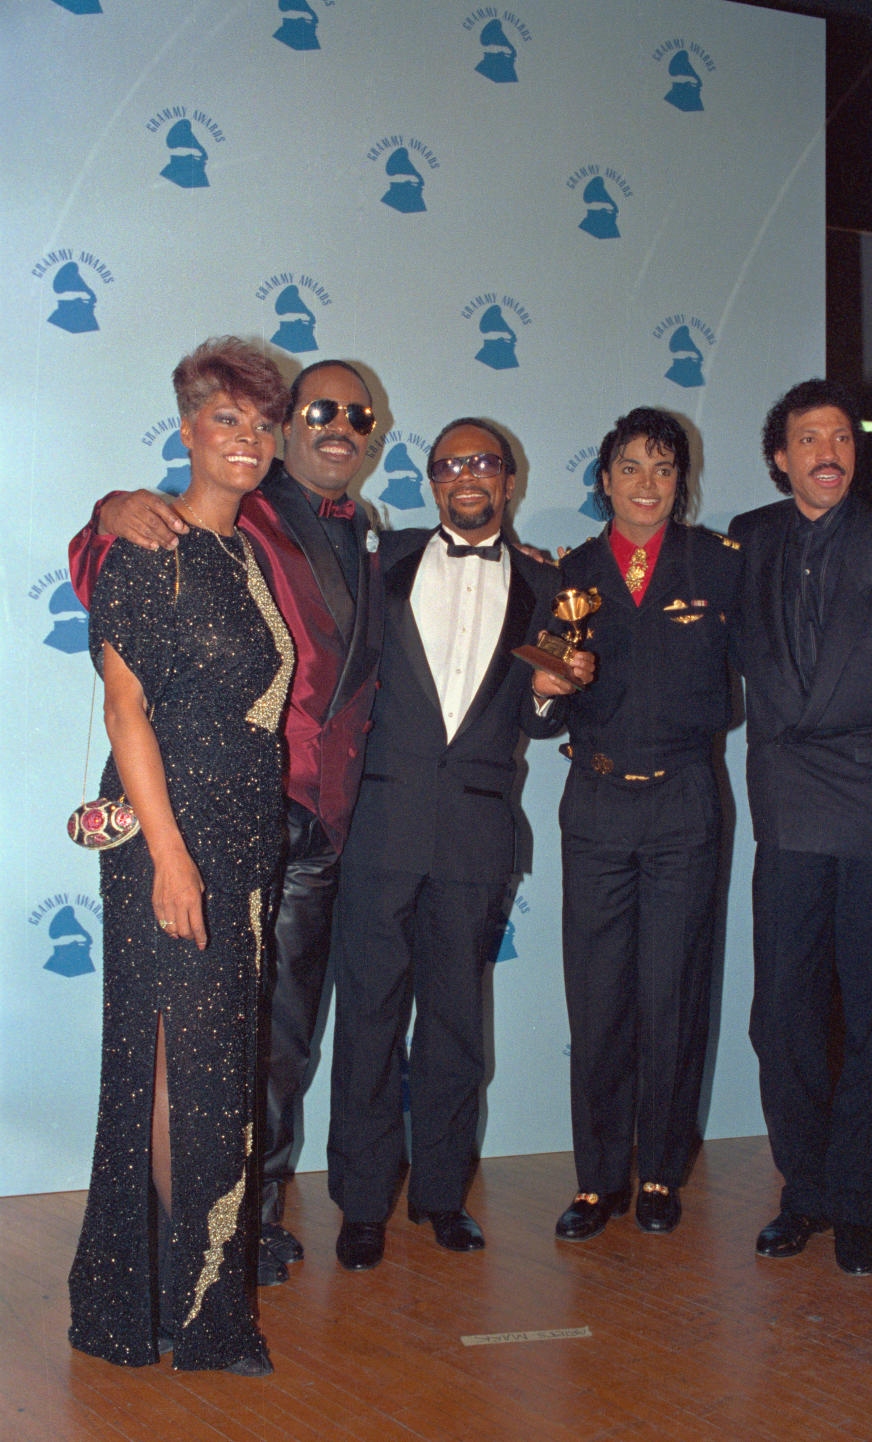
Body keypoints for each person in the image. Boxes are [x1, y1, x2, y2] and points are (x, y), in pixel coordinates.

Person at [68, 358, 384, 1287]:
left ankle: (255, 1218)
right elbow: (113, 586)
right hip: (202, 816)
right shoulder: (216, 515)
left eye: (356, 416)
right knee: (193, 1056)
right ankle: (208, 1253)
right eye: (319, 409)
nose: (339, 426)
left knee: (273, 1046)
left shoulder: (372, 535)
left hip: (309, 822)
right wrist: (110, 504)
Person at [68, 338, 293, 1375]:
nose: (248, 440)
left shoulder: (248, 552)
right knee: (179, 1073)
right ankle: (191, 1306)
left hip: (243, 841)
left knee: (199, 1077)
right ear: (188, 427)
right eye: (228, 420)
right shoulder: (146, 545)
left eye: (262, 422)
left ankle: (156, 1294)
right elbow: (126, 708)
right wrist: (168, 854)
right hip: (175, 837)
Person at [327, 418, 594, 1270]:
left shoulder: (551, 585)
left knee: (455, 1027)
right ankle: (362, 1203)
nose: (465, 476)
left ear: (508, 480)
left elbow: (538, 713)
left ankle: (442, 1196)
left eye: (481, 463)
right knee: (368, 1022)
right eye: (448, 465)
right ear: (434, 481)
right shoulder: (384, 559)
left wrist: (552, 696)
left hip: (477, 834)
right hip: (379, 825)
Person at [730, 379, 872, 1275]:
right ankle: (806, 1190)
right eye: (808, 438)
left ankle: (856, 1202)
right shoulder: (743, 542)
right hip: (787, 817)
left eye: (843, 438)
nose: (829, 452)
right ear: (780, 456)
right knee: (778, 1020)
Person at [546, 408, 741, 1244]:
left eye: (664, 469)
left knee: (673, 992)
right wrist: (555, 685)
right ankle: (597, 1181)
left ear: (681, 481)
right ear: (603, 480)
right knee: (597, 1001)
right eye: (631, 468)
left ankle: (659, 1169)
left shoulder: (719, 563)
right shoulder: (569, 572)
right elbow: (538, 711)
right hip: (594, 804)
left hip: (685, 801)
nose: (647, 485)